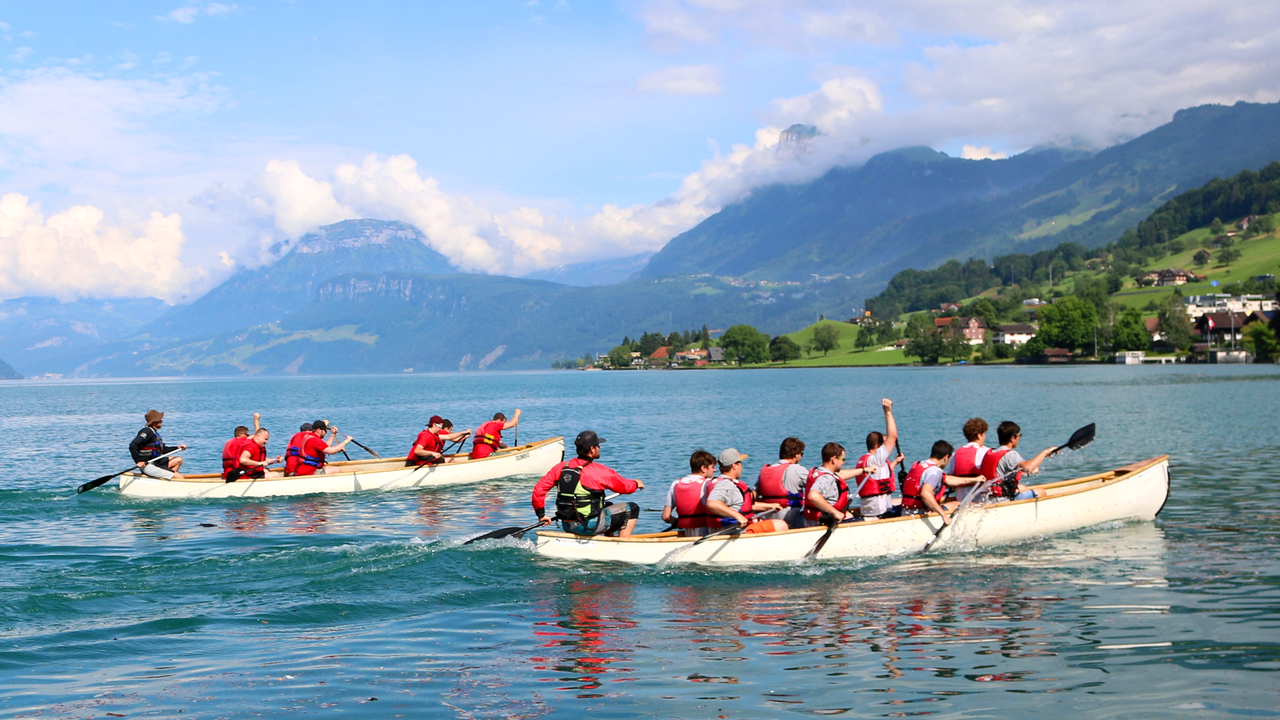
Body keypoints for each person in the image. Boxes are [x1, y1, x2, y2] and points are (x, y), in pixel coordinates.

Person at [532, 430, 644, 537]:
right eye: (598, 446)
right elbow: (624, 487)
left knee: (609, 506)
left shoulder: (561, 467)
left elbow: (538, 490)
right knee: (632, 508)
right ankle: (621, 543)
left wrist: (541, 515)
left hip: (567, 525)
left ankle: (608, 539)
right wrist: (635, 483)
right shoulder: (598, 470)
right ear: (592, 449)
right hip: (588, 527)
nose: (599, 448)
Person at [704, 448, 787, 533]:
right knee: (781, 524)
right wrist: (738, 516)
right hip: (734, 531)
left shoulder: (722, 482)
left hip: (735, 528)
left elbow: (742, 506)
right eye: (740, 463)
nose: (742, 467)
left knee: (764, 521)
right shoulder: (725, 484)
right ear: (734, 466)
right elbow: (712, 503)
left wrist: (769, 506)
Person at [977, 421, 1057, 503]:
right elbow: (1028, 468)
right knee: (1041, 491)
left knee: (1022, 488)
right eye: (1019, 436)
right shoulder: (1011, 454)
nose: (1019, 438)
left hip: (987, 499)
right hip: (1003, 500)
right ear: (1012, 438)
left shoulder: (992, 452)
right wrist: (1046, 452)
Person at [802, 442, 875, 527]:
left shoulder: (820, 471)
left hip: (813, 521)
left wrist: (865, 470)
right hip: (825, 523)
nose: (844, 462)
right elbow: (813, 495)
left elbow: (841, 475)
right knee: (873, 519)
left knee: (850, 515)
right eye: (843, 459)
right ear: (834, 459)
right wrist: (835, 512)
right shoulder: (826, 478)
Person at [854, 399, 905, 519]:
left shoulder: (866, 460)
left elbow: (879, 476)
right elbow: (893, 436)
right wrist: (887, 412)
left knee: (900, 500)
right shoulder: (876, 460)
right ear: (878, 446)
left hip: (869, 509)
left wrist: (895, 462)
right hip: (880, 513)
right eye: (884, 443)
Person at [900, 440, 974, 524]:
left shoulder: (921, 464)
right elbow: (925, 493)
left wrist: (975, 480)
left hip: (907, 511)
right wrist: (943, 515)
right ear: (946, 457)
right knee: (959, 503)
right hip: (920, 513)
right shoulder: (935, 471)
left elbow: (947, 479)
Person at [755, 437, 809, 528]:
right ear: (797, 455)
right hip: (790, 521)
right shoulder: (798, 470)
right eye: (801, 454)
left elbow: (752, 496)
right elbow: (818, 487)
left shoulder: (765, 471)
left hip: (769, 520)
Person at [662, 449, 719, 536]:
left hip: (687, 531)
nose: (714, 470)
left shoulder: (676, 483)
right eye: (712, 467)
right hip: (707, 532)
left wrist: (677, 522)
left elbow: (666, 516)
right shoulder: (708, 483)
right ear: (703, 468)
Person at [129, 409, 187, 480]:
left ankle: (167, 479)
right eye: (159, 420)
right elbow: (133, 445)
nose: (161, 421)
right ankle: (173, 479)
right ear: (154, 422)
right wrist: (138, 461)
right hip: (148, 465)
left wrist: (178, 447)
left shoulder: (154, 433)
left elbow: (163, 449)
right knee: (180, 477)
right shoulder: (147, 432)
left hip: (156, 462)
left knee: (178, 460)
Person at [946, 417, 990, 504]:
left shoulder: (956, 453)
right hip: (980, 499)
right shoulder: (985, 452)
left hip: (960, 498)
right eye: (984, 434)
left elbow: (950, 478)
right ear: (979, 435)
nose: (985, 437)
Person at [287, 420, 354, 476]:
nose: (325, 433)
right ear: (319, 430)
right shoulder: (314, 440)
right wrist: (346, 441)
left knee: (330, 467)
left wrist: (332, 435)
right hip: (308, 472)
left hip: (304, 470)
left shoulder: (309, 437)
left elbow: (325, 446)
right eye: (325, 430)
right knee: (336, 470)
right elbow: (331, 451)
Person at [406, 416, 471, 466]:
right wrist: (433, 453)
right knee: (450, 460)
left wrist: (463, 433)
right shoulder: (426, 435)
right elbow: (417, 451)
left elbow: (448, 437)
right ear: (434, 425)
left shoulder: (435, 435)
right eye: (440, 426)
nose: (441, 429)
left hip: (427, 460)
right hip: (419, 462)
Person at [221, 413, 263, 479]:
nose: (248, 436)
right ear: (242, 434)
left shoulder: (228, 443)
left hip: (227, 473)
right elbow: (257, 435)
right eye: (247, 434)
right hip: (237, 474)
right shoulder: (241, 441)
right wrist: (256, 420)